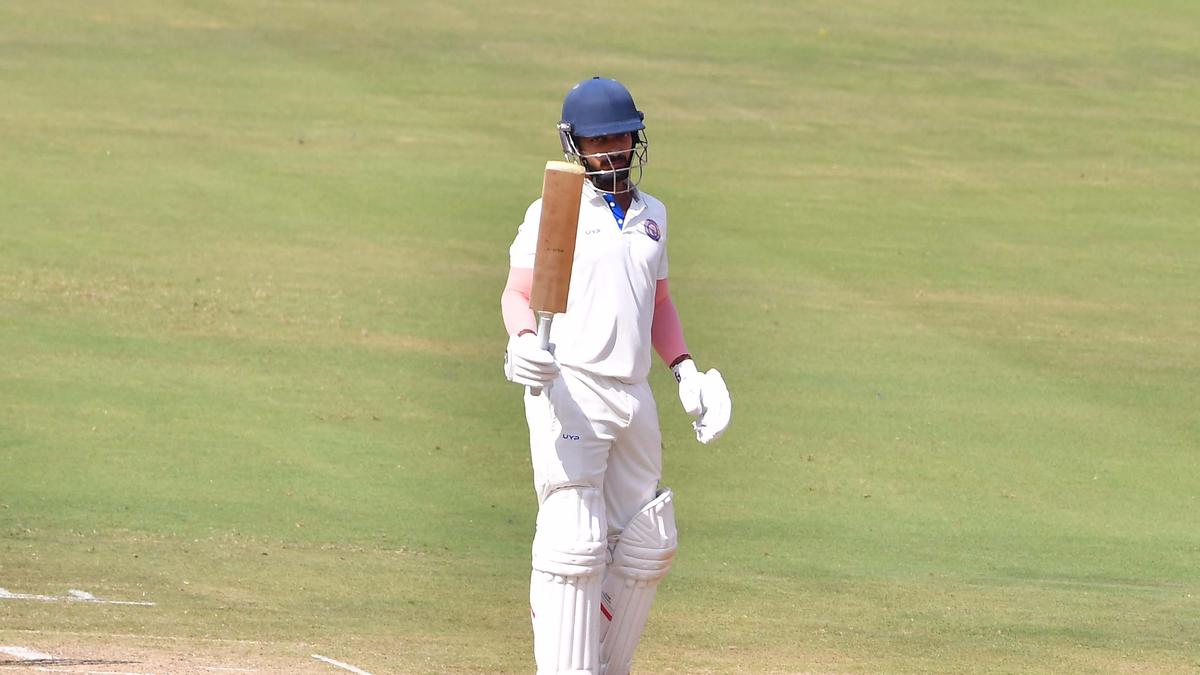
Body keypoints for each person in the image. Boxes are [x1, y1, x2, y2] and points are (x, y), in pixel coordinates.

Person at [501, 76, 732, 675]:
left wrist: (685, 371)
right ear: (575, 144)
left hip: (633, 392)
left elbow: (659, 303)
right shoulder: (555, 209)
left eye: (622, 137)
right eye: (599, 140)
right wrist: (523, 340)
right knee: (575, 539)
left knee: (647, 539)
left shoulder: (654, 215)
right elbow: (518, 293)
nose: (612, 150)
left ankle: (604, 665)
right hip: (570, 385)